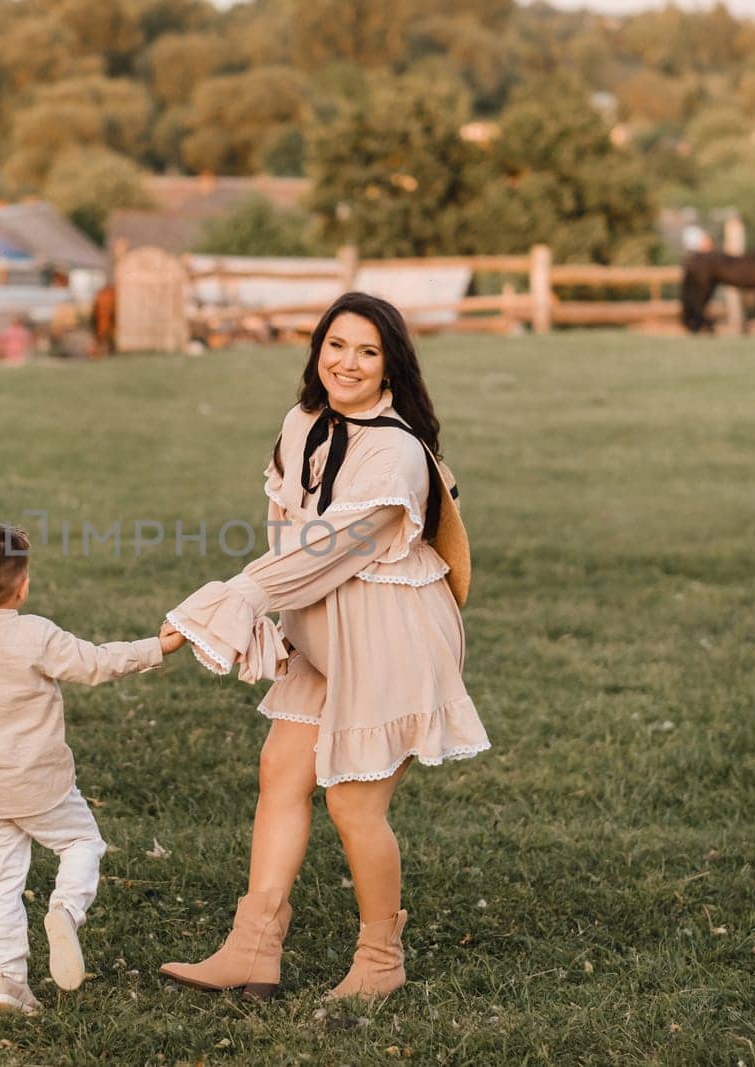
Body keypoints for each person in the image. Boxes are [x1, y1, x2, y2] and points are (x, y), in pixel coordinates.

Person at [158, 291, 489, 1001]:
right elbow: (287, 532)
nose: (348, 362)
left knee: (352, 805)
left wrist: (236, 597)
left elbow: (329, 549)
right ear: (317, 350)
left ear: (390, 364)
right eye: (336, 345)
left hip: (395, 634)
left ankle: (379, 959)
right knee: (280, 768)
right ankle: (252, 948)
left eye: (368, 351)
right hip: (327, 626)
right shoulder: (300, 421)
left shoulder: (396, 450)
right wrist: (283, 618)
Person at [0, 523, 186, 1014]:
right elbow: (98, 663)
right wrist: (158, 647)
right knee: (82, 842)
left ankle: (7, 980)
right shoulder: (36, 635)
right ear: (23, 587)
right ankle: (65, 908)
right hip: (44, 789)